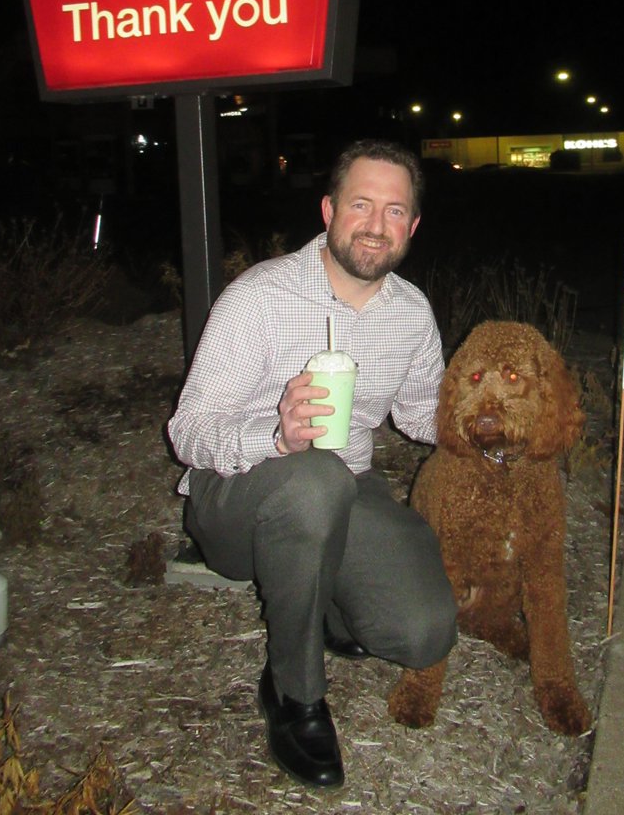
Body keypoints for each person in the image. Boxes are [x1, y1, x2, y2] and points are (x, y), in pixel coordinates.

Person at [167, 139, 457, 789]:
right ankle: (293, 696)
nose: (376, 225)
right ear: (328, 211)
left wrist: (487, 427)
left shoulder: (410, 315)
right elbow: (187, 430)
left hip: (342, 488)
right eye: (361, 204)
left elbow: (419, 415)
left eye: (393, 211)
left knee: (423, 633)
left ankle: (320, 597)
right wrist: (275, 432)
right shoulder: (259, 298)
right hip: (237, 494)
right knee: (316, 478)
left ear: (412, 226)